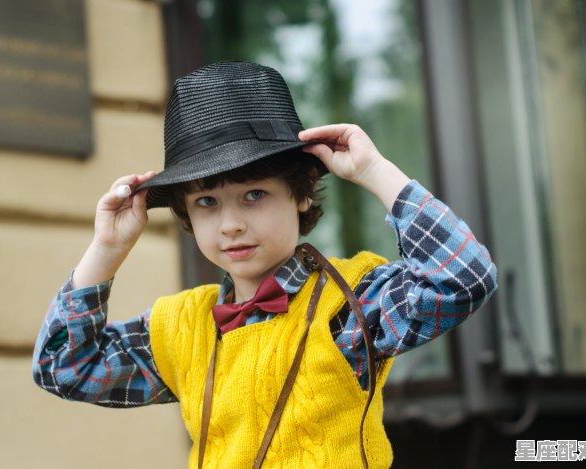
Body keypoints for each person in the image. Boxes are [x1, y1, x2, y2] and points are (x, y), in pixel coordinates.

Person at [32, 61, 497, 469]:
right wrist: (108, 249)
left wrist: (374, 171)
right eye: (207, 202)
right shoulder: (182, 328)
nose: (231, 224)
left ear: (300, 193)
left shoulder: (348, 305)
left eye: (254, 194)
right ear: (186, 214)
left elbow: (463, 277)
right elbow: (63, 366)